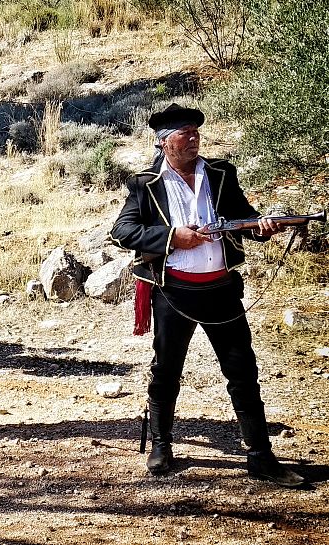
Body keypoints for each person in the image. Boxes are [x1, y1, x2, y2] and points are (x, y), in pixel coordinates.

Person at [109, 103, 305, 488]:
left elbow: (242, 217)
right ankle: (162, 446)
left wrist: (260, 227)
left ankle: (261, 457)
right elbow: (122, 232)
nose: (194, 139)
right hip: (174, 292)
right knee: (166, 371)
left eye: (196, 133)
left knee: (243, 372)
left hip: (221, 291)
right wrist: (172, 237)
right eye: (185, 134)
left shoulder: (220, 173)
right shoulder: (144, 183)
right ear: (164, 142)